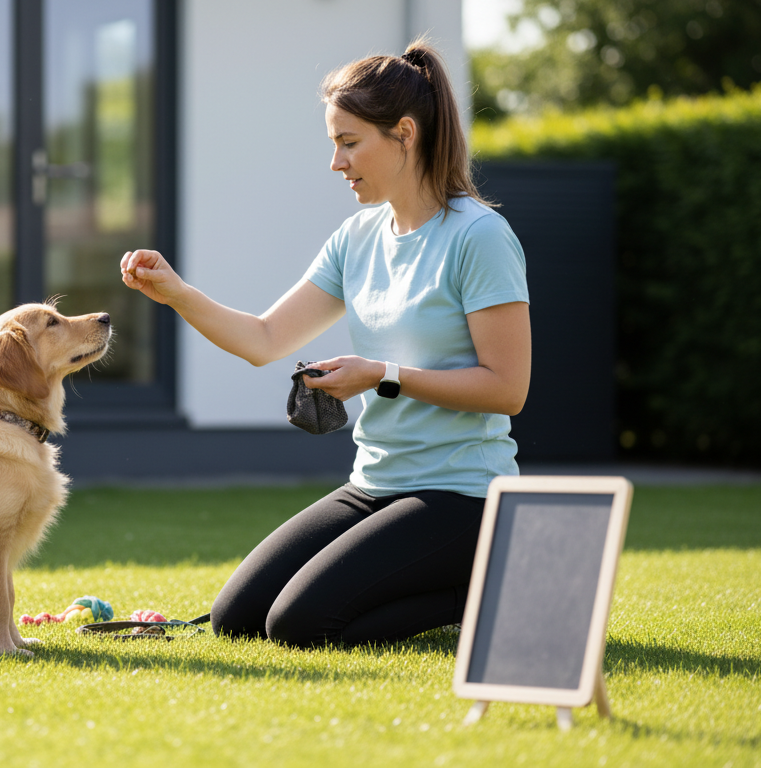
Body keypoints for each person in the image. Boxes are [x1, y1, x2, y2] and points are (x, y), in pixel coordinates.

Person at [119, 41, 531, 647]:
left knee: (299, 625)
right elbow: (265, 339)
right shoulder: (357, 237)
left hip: (463, 496)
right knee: (237, 618)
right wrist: (177, 293)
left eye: (349, 142)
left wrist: (383, 375)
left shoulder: (480, 236)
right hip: (375, 484)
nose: (336, 162)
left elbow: (507, 389)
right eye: (334, 143)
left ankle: (487, 585)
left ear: (405, 134)